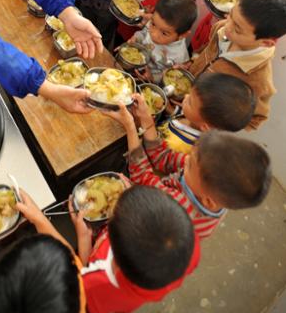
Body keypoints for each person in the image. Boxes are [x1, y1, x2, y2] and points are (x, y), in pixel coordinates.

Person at [104, 97, 271, 239]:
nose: (185, 161)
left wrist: (130, 127)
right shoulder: (212, 183)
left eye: (189, 165)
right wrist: (146, 120)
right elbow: (163, 157)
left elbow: (142, 178)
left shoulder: (180, 207)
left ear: (208, 201)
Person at [72, 184, 200, 313]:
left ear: (115, 265)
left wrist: (84, 238)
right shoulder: (189, 245)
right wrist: (135, 202)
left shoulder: (95, 283)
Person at [189, 0, 286, 129]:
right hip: (186, 93)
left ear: (265, 42)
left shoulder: (258, 80)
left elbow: (254, 121)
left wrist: (211, 122)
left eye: (237, 29)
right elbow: (207, 51)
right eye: (230, 15)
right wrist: (192, 61)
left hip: (198, 124)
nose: (227, 26)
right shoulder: (222, 28)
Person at [157, 73, 256, 156]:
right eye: (189, 94)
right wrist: (172, 111)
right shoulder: (195, 120)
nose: (186, 96)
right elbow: (184, 117)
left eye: (190, 102)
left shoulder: (178, 145)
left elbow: (155, 155)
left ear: (205, 126)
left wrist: (149, 126)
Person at [127, 0, 197, 83]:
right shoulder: (156, 22)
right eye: (153, 24)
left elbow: (170, 78)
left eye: (164, 33)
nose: (154, 34)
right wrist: (136, 38)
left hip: (146, 83)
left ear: (182, 35)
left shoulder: (180, 57)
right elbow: (143, 33)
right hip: (132, 65)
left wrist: (153, 78)